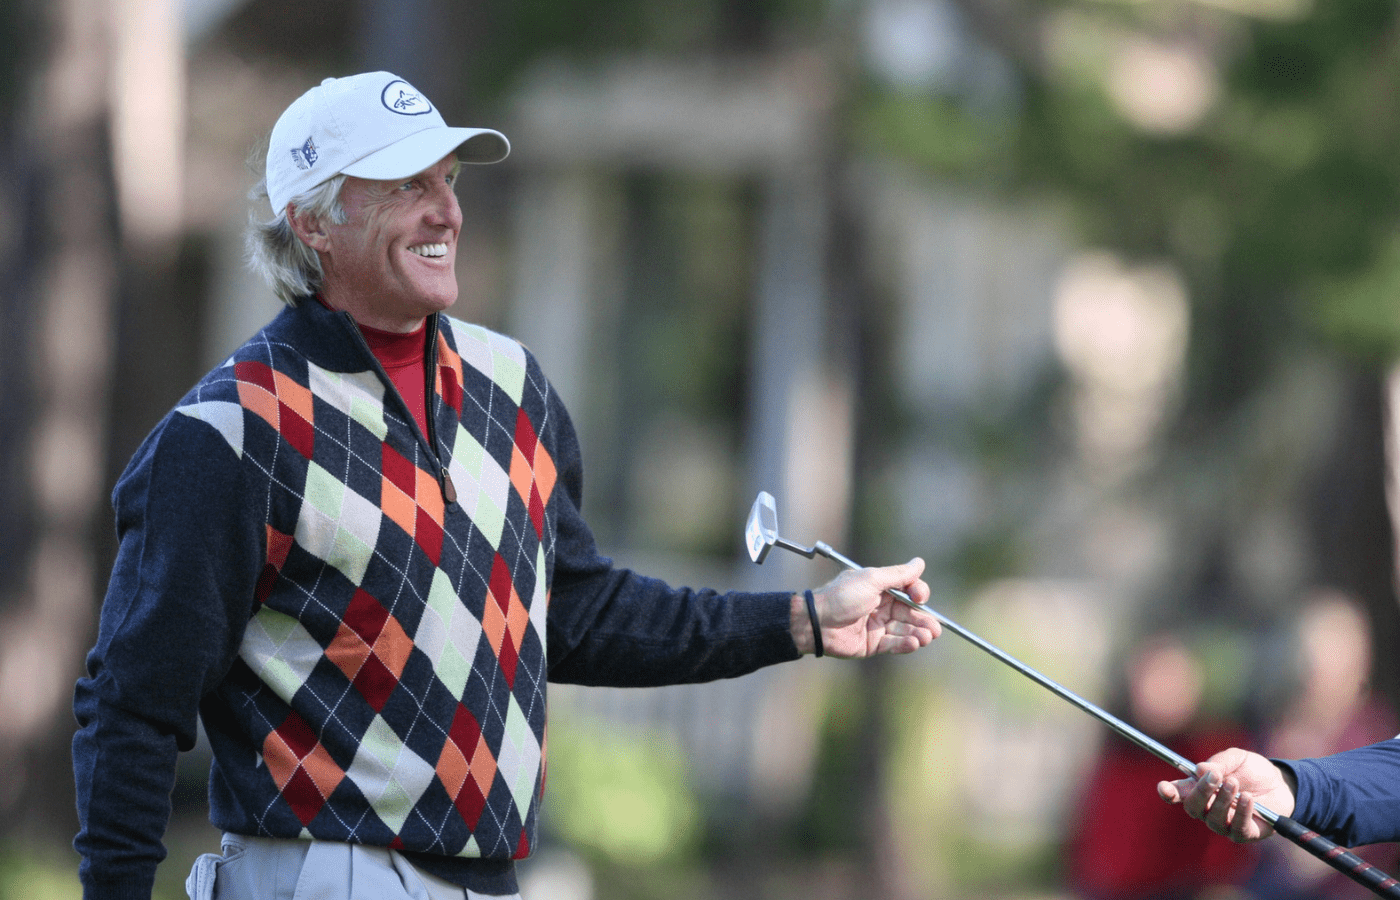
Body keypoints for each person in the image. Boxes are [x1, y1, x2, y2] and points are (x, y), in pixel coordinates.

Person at [70, 71, 941, 900]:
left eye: (447, 180)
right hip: (321, 874)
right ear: (313, 222)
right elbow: (131, 707)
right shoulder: (232, 433)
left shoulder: (511, 387)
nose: (446, 210)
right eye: (406, 185)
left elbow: (577, 614)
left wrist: (805, 620)